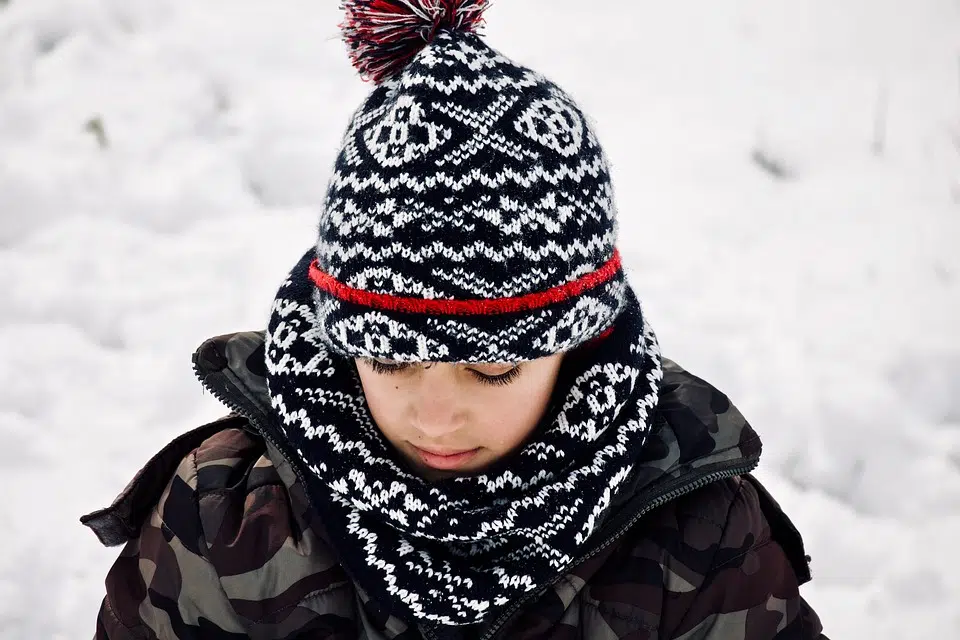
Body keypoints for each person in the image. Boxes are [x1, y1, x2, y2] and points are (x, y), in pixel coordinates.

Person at [83, 1, 825, 638]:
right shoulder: (226, 514)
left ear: (581, 343)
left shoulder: (698, 536)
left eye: (493, 367)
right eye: (389, 359)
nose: (436, 416)